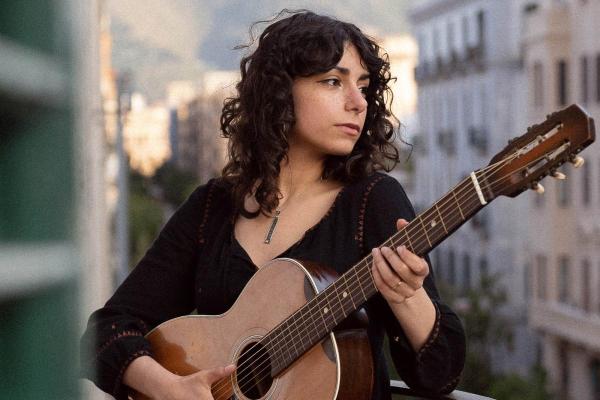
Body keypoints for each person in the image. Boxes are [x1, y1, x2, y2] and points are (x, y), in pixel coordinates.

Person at [81, 10, 466, 400]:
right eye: (333, 82)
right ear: (279, 92)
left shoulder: (374, 200)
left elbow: (441, 375)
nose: (357, 103)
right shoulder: (213, 207)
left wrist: (408, 298)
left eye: (364, 87)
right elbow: (105, 332)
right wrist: (170, 388)